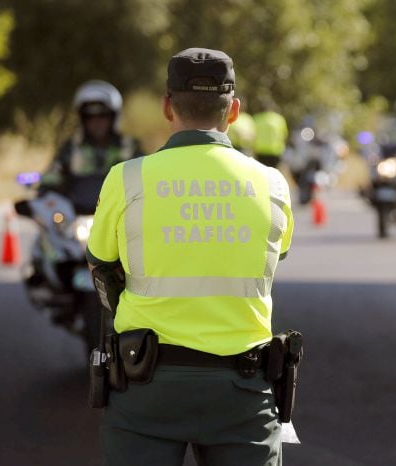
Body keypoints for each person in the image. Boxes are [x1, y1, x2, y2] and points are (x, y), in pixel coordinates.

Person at [86, 48, 294, 465]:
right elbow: (278, 253)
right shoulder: (271, 183)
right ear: (233, 110)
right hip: (243, 388)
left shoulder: (126, 179)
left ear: (168, 107)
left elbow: (101, 265)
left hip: (146, 385)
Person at [40, 80, 143, 213]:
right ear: (83, 119)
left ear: (113, 117)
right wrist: (44, 190)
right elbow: (53, 174)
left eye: (102, 116)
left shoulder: (129, 147)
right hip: (76, 220)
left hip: (121, 218)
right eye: (90, 117)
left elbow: (145, 179)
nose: (96, 122)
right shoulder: (71, 147)